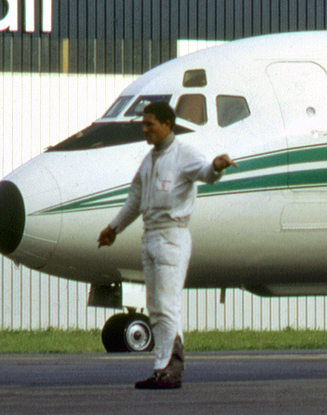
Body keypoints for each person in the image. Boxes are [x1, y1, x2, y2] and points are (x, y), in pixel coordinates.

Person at [97, 100, 235, 389]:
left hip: (173, 235)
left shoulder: (184, 154)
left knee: (168, 305)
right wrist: (114, 228)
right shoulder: (150, 160)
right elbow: (135, 198)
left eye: (150, 124)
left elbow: (205, 174)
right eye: (144, 124)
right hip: (150, 235)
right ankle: (164, 366)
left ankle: (168, 368)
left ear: (167, 125)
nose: (145, 130)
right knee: (156, 306)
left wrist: (217, 167)